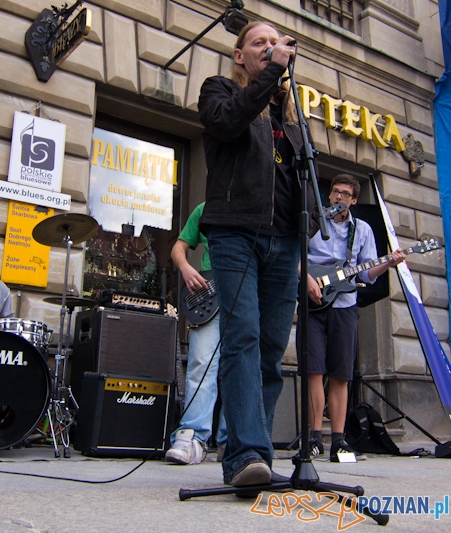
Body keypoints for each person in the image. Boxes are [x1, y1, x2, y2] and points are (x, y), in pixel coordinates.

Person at [197, 21, 320, 488]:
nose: (269, 48)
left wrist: (306, 227)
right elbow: (227, 122)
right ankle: (244, 453)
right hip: (235, 236)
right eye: (259, 44)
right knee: (242, 337)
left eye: (276, 43)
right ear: (239, 55)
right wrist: (272, 75)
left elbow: (303, 178)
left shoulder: (290, 116)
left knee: (271, 348)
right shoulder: (220, 91)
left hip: (285, 242)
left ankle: (258, 452)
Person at [298, 174, 405, 461]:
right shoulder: (313, 222)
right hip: (313, 303)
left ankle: (339, 440)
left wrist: (388, 264)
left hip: (345, 304)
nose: (338, 197)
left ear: (353, 200)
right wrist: (306, 279)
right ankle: (314, 438)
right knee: (314, 371)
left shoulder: (364, 231)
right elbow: (295, 257)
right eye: (335, 192)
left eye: (345, 194)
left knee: (341, 375)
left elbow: (365, 274)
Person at [166, 202, 226, 465]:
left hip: (247, 294)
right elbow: (178, 248)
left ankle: (232, 442)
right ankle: (191, 437)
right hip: (211, 297)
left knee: (243, 368)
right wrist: (186, 268)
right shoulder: (205, 209)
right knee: (201, 364)